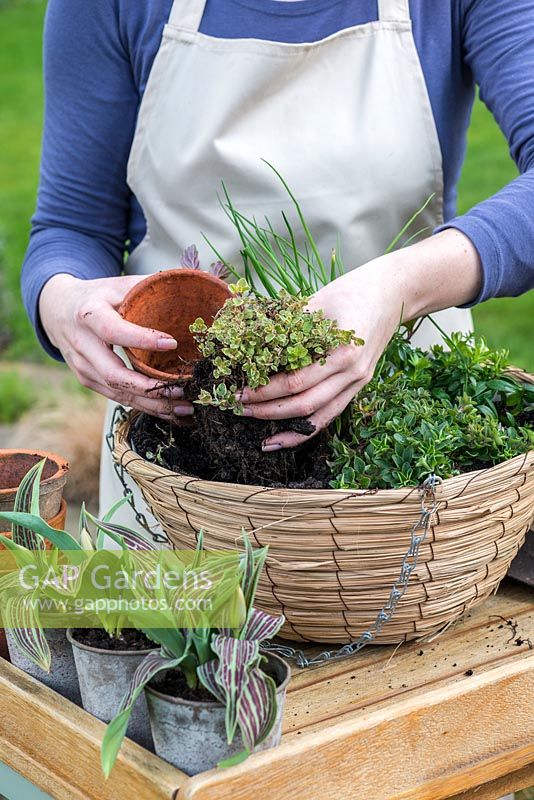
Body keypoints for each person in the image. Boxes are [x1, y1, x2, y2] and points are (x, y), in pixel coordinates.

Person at [22, 0, 534, 523]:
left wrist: (397, 287)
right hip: (176, 466)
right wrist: (62, 300)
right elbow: (73, 226)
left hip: (405, 456)